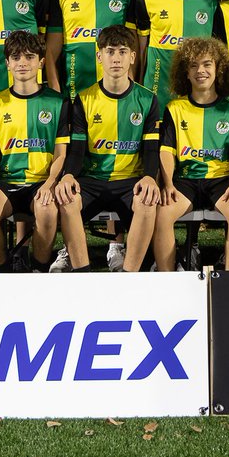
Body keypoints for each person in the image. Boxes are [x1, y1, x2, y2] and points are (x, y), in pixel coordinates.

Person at [44, 0, 140, 267]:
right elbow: (52, 50)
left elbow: (134, 48)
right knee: (78, 168)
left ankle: (117, 244)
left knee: (117, 165)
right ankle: (71, 247)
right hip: (75, 95)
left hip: (119, 93)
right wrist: (56, 92)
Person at [53, 25, 162, 272]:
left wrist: (148, 177)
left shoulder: (147, 100)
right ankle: (83, 272)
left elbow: (152, 149)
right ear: (99, 56)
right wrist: (68, 174)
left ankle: (129, 275)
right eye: (110, 51)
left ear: (133, 57)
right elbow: (77, 149)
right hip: (92, 179)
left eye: (123, 51)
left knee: (147, 200)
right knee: (68, 199)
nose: (116, 58)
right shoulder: (84, 98)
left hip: (128, 180)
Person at [0, 31, 74, 272]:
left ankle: (39, 269)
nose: (22, 63)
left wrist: (50, 183)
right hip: (7, 183)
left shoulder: (58, 102)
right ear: (7, 63)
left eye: (29, 57)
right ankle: (3, 270)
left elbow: (61, 153)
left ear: (40, 62)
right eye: (16, 57)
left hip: (41, 182)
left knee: (48, 210)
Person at [154, 38, 229, 271]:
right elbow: (166, 151)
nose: (200, 71)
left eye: (207, 64)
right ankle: (168, 280)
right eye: (193, 66)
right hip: (185, 180)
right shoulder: (174, 109)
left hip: (221, 180)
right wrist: (167, 184)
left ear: (219, 69)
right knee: (163, 214)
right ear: (185, 73)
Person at [137, 0, 224, 114]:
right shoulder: (146, 0)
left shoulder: (210, 3)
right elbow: (141, 51)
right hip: (156, 91)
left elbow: (218, 53)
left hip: (197, 91)